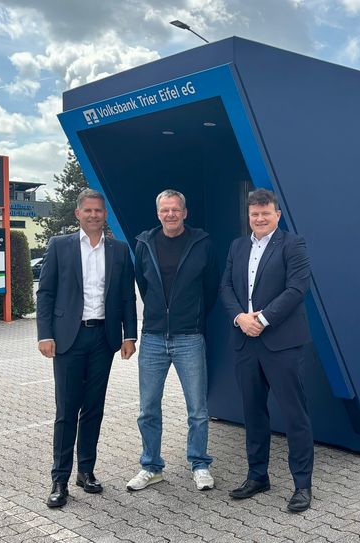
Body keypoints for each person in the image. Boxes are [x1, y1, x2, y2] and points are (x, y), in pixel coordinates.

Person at [37, 188, 138, 508]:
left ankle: (87, 471)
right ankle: (59, 479)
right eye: (88, 210)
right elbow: (46, 294)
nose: (94, 215)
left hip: (103, 339)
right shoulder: (60, 246)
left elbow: (126, 297)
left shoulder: (119, 251)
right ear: (78, 214)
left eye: (99, 211)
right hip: (68, 339)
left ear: (104, 214)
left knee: (93, 408)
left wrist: (129, 335)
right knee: (67, 411)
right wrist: (44, 334)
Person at [219, 188, 314, 513]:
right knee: (253, 412)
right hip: (246, 342)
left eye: (265, 213)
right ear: (249, 216)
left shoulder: (293, 244)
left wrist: (261, 318)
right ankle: (257, 476)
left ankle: (302, 485)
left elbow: (297, 288)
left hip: (281, 343)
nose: (259, 219)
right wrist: (240, 318)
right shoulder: (237, 245)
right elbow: (226, 287)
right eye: (254, 214)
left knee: (294, 414)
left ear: (277, 214)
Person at [126, 189, 219, 492]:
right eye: (165, 210)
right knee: (148, 408)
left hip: (189, 336)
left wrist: (191, 316)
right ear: (158, 213)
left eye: (176, 210)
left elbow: (211, 287)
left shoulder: (201, 242)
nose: (170, 215)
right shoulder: (144, 244)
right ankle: (151, 467)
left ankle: (200, 463)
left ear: (185, 212)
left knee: (198, 409)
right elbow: (143, 283)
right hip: (152, 337)